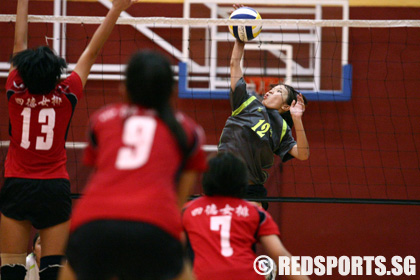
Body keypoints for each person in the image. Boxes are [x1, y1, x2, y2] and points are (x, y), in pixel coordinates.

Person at [0, 0, 135, 279]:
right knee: (54, 270)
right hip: (54, 188)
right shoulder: (67, 93)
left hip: (17, 184)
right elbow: (92, 51)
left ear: (23, 71)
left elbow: (18, 42)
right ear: (56, 74)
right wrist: (116, 9)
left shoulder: (15, 89)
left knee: (11, 268)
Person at [58, 50, 208, 280]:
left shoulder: (101, 119)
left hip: (94, 221)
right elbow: (180, 200)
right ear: (170, 91)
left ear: (124, 88)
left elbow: (100, 173)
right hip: (154, 224)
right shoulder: (189, 131)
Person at [218, 5, 310, 209]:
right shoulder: (245, 102)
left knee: (249, 236)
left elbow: (302, 154)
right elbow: (235, 65)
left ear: (286, 106)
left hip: (251, 191)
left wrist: (297, 120)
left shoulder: (281, 129)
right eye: (272, 88)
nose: (269, 92)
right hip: (222, 183)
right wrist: (241, 34)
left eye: (278, 92)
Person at [182, 152, 310, 280]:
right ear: (242, 181)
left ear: (205, 178)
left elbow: (173, 252)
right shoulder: (255, 212)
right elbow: (280, 254)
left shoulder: (188, 211)